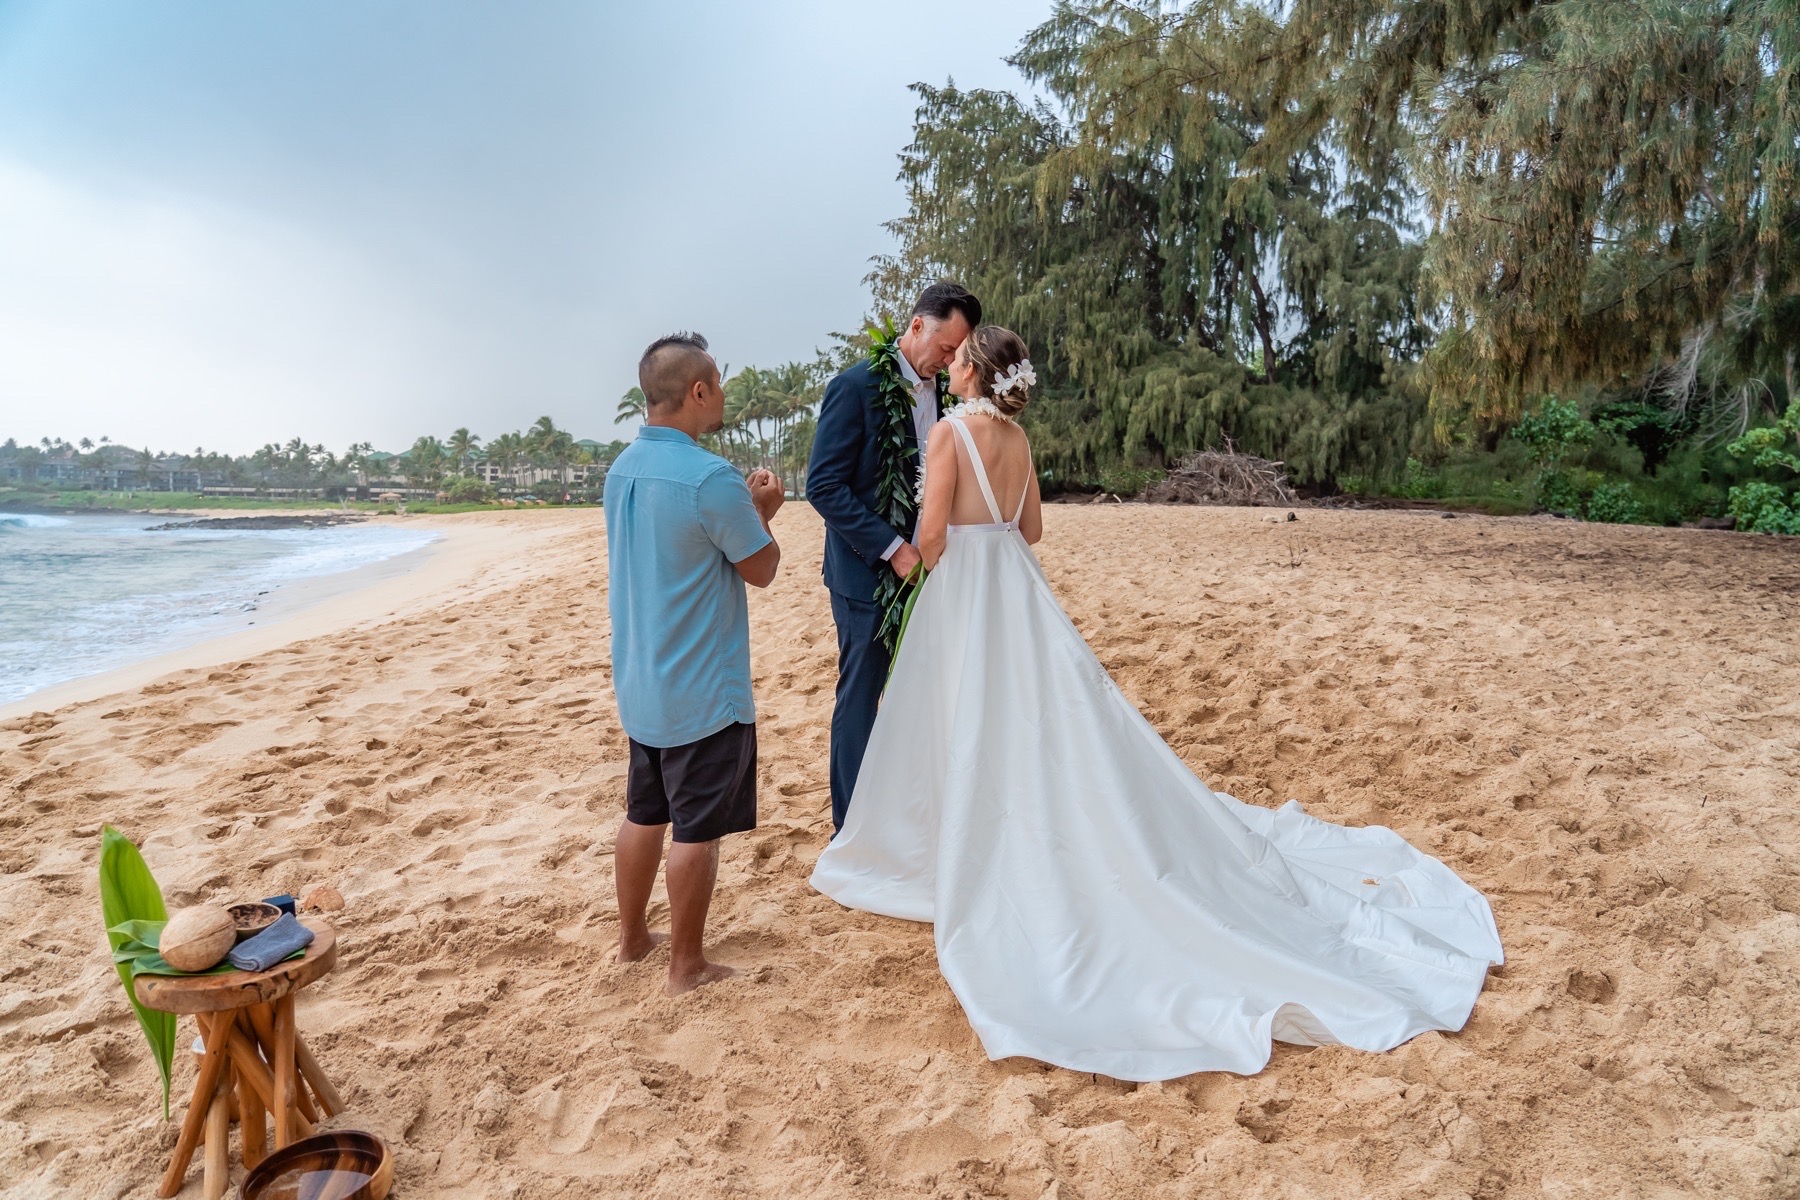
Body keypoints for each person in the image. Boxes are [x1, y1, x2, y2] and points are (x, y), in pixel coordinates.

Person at [811, 325, 1503, 1080]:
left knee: (967, 716)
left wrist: (921, 568)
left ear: (970, 370)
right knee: (1038, 718)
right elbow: (1032, 529)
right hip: (1018, 587)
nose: (951, 366)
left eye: (958, 358)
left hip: (967, 593)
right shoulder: (1016, 438)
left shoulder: (949, 433)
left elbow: (934, 534)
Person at [605, 331, 784, 995]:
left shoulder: (622, 468)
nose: (724, 396)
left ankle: (631, 940)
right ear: (698, 390)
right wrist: (763, 510)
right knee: (697, 831)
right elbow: (760, 568)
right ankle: (687, 965)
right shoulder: (710, 478)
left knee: (643, 812)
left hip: (643, 677)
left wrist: (743, 512)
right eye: (719, 383)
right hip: (703, 687)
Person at [807, 281, 981, 833]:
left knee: (920, 692)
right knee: (861, 693)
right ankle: (852, 828)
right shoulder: (855, 387)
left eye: (959, 352)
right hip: (865, 576)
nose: (952, 360)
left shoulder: (950, 397)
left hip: (935, 572)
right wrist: (893, 549)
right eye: (946, 347)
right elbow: (824, 486)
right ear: (915, 327)